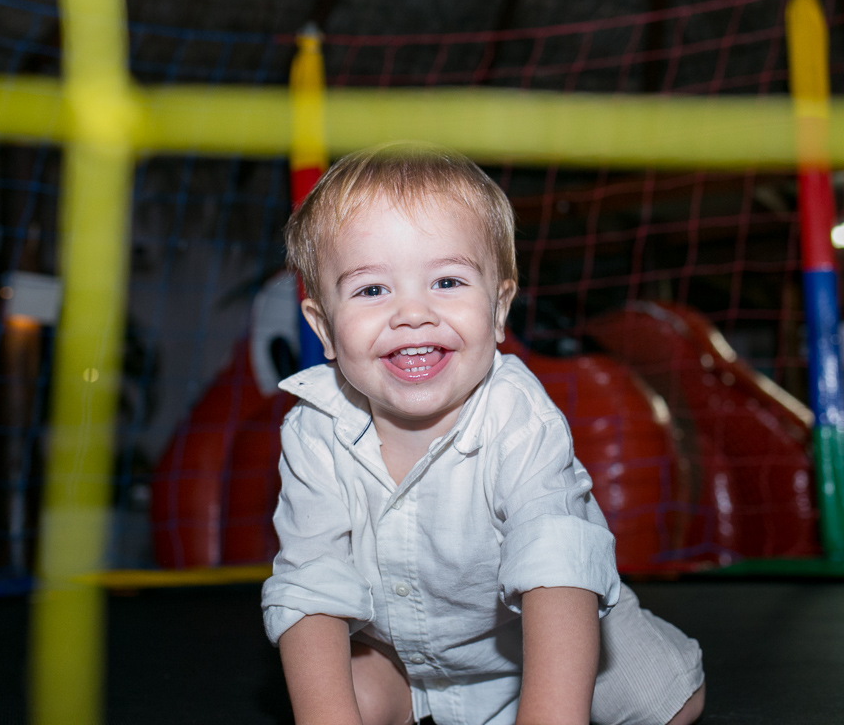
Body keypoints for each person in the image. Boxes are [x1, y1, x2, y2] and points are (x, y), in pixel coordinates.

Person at [261, 143, 705, 725]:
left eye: (447, 281)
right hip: (405, 655)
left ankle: (619, 652)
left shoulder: (518, 418)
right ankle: (417, 696)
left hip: (535, 638)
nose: (412, 313)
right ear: (323, 328)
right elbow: (310, 586)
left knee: (664, 705)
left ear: (498, 310)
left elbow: (557, 573)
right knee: (342, 701)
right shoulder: (314, 431)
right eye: (372, 290)